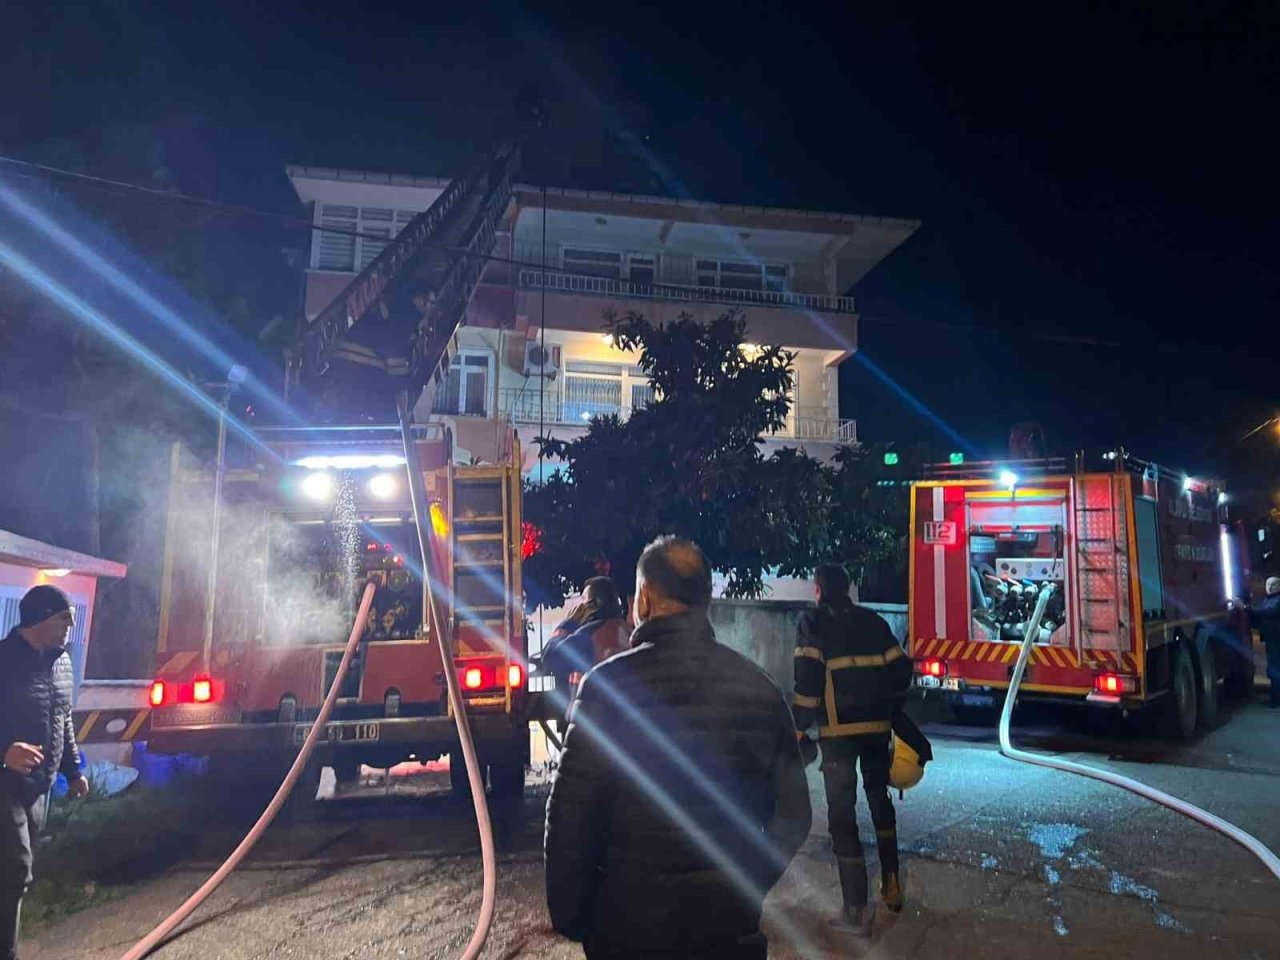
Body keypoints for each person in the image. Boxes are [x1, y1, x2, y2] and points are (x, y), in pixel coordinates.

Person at [544, 536, 811, 959]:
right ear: (705, 600)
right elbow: (795, 815)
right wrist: (746, 885)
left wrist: (575, 918)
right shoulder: (760, 689)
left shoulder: (606, 689)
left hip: (627, 934)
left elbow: (570, 817)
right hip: (728, 935)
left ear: (644, 598)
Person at [792, 562, 912, 930]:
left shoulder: (812, 623)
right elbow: (902, 670)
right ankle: (890, 884)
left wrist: (798, 728)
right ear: (847, 588)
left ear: (818, 589)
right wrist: (887, 708)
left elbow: (808, 682)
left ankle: (855, 910)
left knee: (843, 817)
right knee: (880, 801)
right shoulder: (873, 622)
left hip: (838, 736)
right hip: (877, 730)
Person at [2, 586, 90, 960]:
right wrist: (4, 753)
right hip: (4, 784)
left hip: (41, 788)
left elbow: (63, 720)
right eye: (64, 618)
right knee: (16, 870)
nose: (71, 626)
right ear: (38, 619)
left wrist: (73, 770)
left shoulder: (62, 663)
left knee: (14, 880)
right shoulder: (4, 660)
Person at [540, 577, 630, 707]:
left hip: (594, 714)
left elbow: (550, 657)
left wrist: (568, 624)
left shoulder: (590, 634)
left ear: (592, 606)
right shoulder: (629, 631)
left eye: (583, 603)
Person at [1242, 576, 1280, 708]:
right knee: (1273, 668)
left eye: (1273, 585)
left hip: (1276, 638)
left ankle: (1276, 699)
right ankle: (1275, 697)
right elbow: (1261, 616)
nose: (1269, 587)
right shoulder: (1267, 600)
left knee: (1275, 668)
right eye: (1268, 584)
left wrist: (1248, 609)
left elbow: (1268, 613)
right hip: (1271, 638)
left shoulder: (1277, 601)